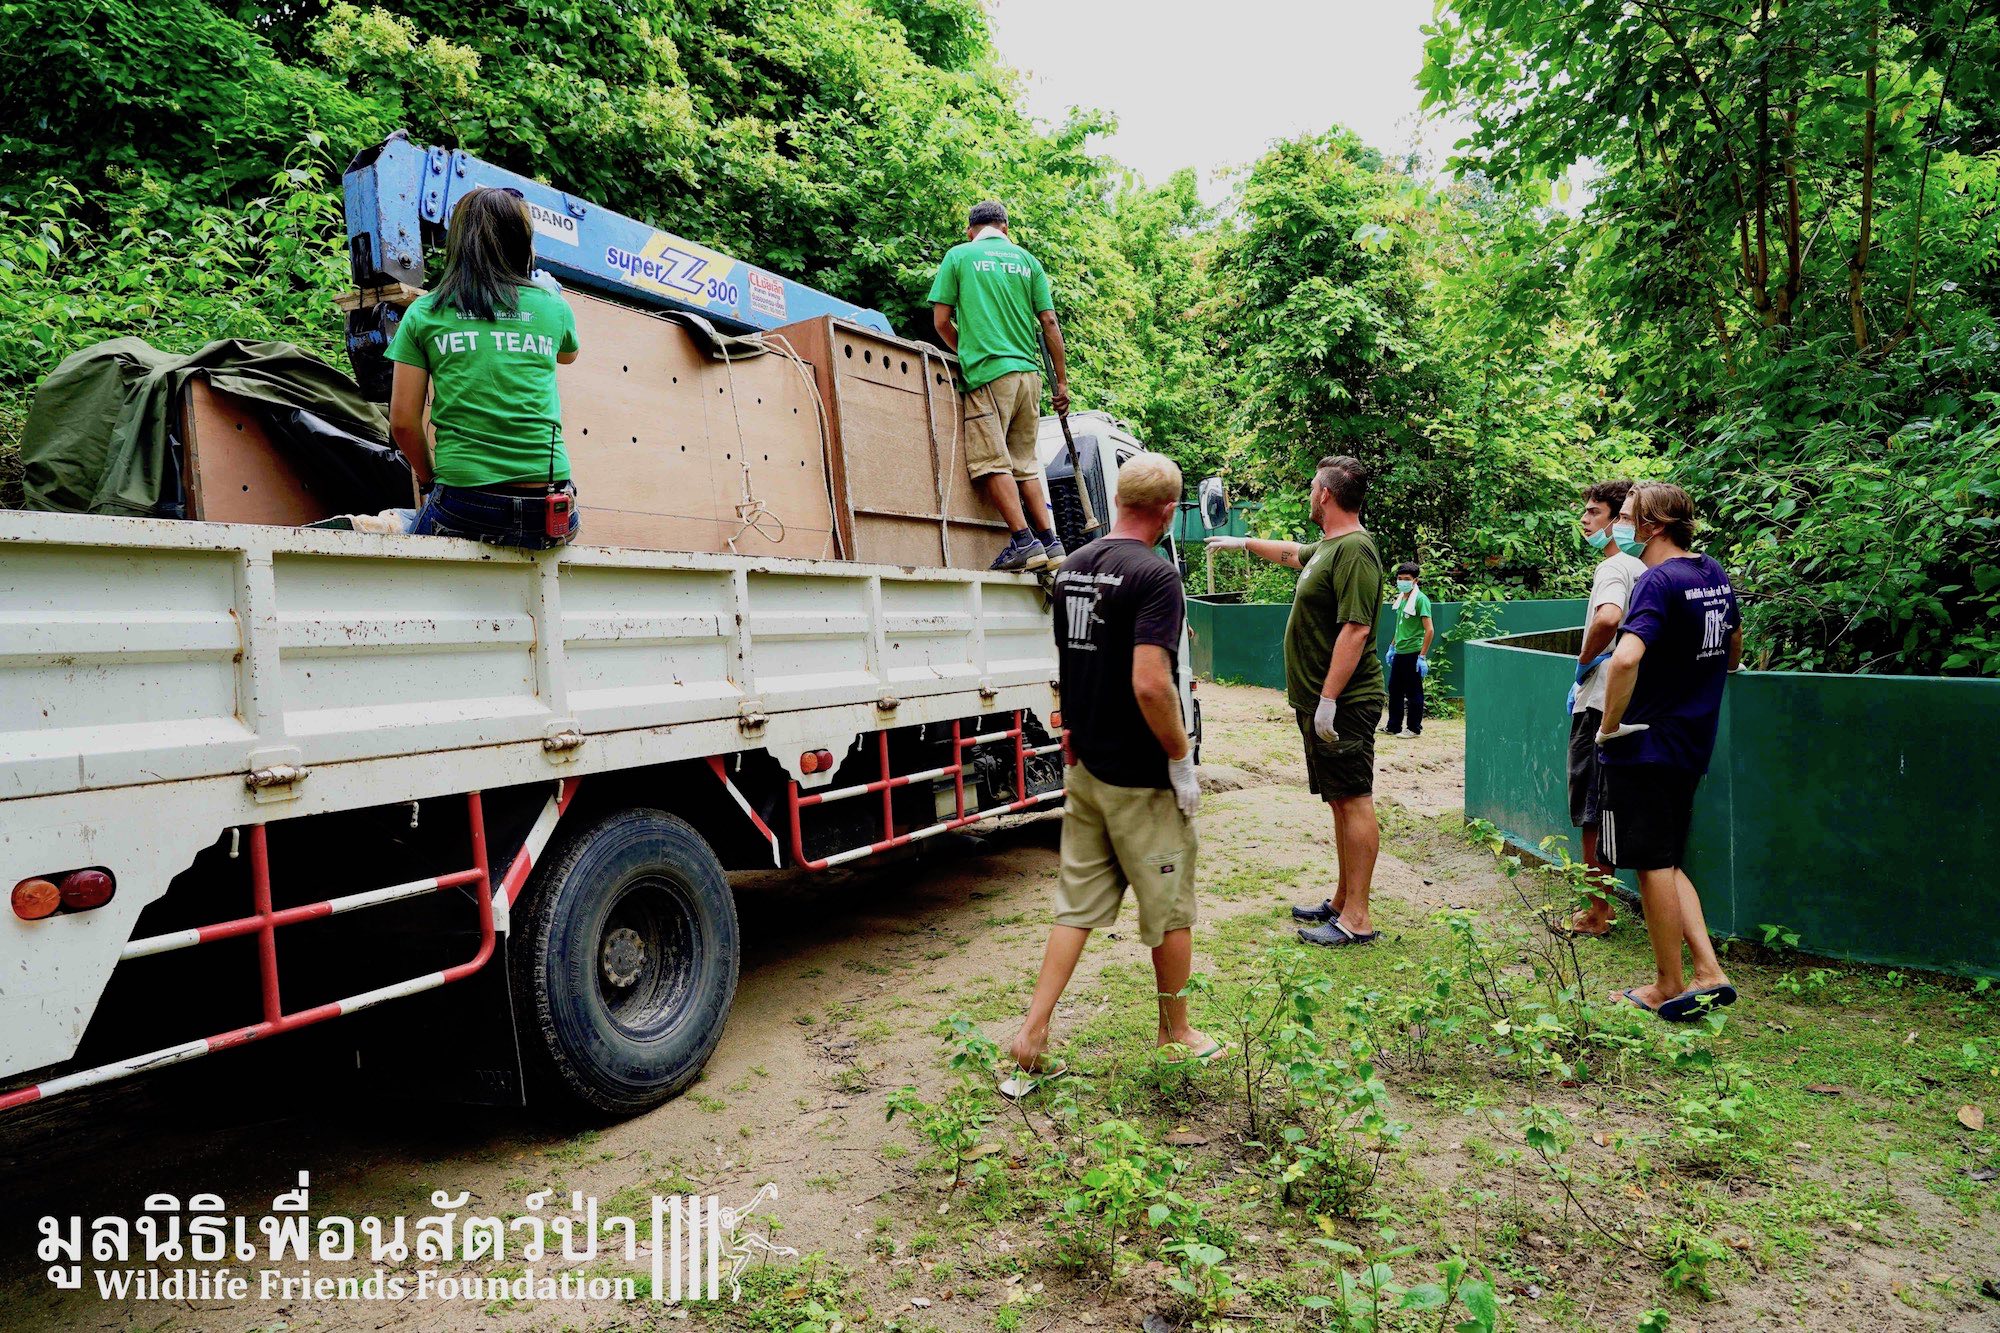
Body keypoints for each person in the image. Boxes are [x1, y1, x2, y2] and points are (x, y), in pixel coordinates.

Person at [1008, 453, 1215, 1084]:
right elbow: (1151, 683)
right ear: (1167, 512)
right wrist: (1180, 759)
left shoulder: (1073, 565)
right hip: (1139, 778)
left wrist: (1070, 729)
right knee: (1170, 908)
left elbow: (1070, 660)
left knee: (1076, 904)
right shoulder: (1156, 577)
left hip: (1087, 767)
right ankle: (1177, 1033)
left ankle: (1031, 1033)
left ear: (1119, 500)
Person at [1207, 456, 1387, 948]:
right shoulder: (1329, 547)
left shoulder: (1355, 549)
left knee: (1354, 799)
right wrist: (1243, 542)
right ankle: (1343, 901)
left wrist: (1329, 699)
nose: (1310, 494)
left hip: (1345, 703)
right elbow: (1292, 554)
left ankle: (1358, 919)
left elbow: (1356, 629)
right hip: (1321, 702)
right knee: (1339, 800)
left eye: (1312, 487)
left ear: (1325, 494)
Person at [1595, 482, 1743, 1021]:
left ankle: (1666, 984)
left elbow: (1624, 658)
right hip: (1691, 739)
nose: (1619, 525)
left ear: (1653, 526)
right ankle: (1708, 971)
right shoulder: (1712, 572)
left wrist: (1610, 725)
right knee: (1669, 859)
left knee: (1652, 864)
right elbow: (1733, 646)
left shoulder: (1657, 581)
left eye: (1627, 516)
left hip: (1644, 743)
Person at [387, 187, 582, 548]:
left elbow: (402, 422)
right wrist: (544, 299)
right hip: (549, 507)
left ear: (458, 242)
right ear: (523, 243)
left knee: (405, 532)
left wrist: (430, 483)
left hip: (465, 504)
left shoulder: (425, 312)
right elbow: (568, 355)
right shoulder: (552, 307)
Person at [928, 200, 1070, 572]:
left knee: (990, 461)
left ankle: (1024, 542)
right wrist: (1062, 383)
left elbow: (941, 321)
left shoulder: (959, 256)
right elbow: (1049, 322)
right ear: (1005, 228)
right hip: (1029, 376)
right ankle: (1051, 543)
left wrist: (967, 353)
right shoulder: (1028, 262)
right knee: (1025, 464)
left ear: (970, 231)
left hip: (989, 374)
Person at [1564, 479, 1648, 937]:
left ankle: (1597, 912)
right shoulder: (1648, 568)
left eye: (1595, 512)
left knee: (1591, 808)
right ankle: (1604, 906)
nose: (1585, 520)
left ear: (1618, 521)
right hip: (1634, 702)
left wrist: (1584, 663)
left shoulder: (1614, 567)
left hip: (1600, 702)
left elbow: (1609, 617)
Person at [1384, 561, 1433, 737]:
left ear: (1415, 580)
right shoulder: (1402, 599)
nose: (1402, 582)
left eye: (1406, 579)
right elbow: (1400, 627)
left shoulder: (1420, 600)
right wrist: (1392, 646)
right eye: (1400, 578)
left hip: (1413, 652)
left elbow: (1429, 630)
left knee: (1413, 691)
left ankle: (1413, 728)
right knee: (1394, 689)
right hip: (1400, 651)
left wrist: (1422, 656)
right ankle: (1393, 726)